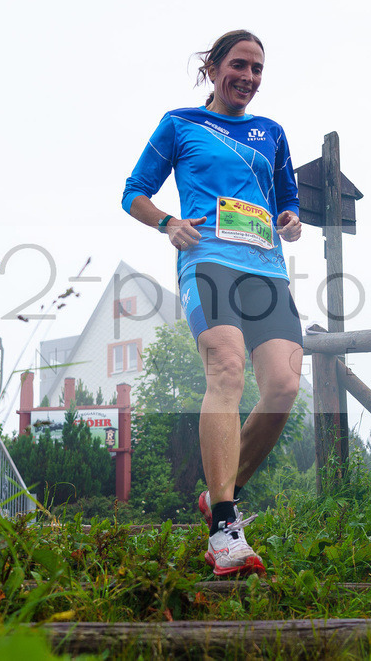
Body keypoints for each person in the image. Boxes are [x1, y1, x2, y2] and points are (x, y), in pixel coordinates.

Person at [121, 30, 303, 576]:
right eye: (239, 65)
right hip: (208, 260)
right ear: (213, 67)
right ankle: (225, 526)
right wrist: (168, 223)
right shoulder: (180, 124)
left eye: (257, 69)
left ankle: (221, 490)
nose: (248, 77)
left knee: (284, 385)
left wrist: (290, 221)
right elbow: (133, 192)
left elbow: (286, 201)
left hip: (266, 268)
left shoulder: (272, 133)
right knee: (226, 369)